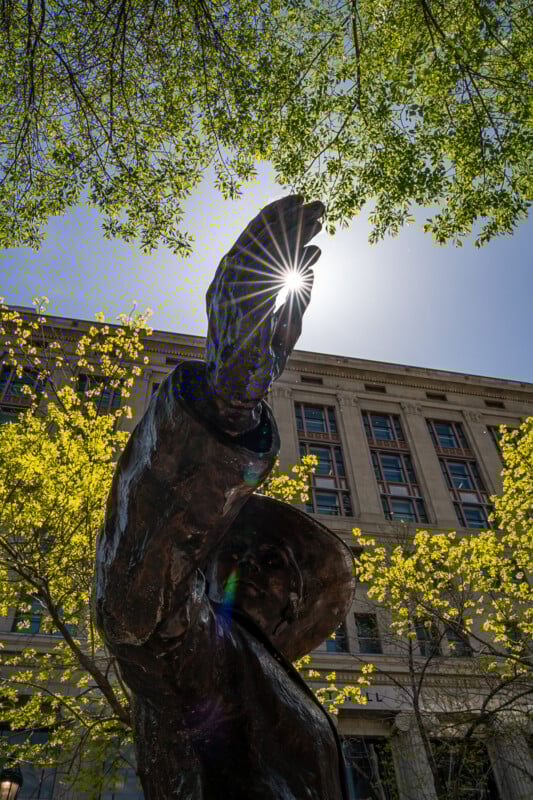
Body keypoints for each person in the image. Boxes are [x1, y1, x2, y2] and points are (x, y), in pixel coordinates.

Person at [95, 195, 356, 799]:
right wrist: (226, 397)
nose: (247, 567)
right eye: (232, 554)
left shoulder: (285, 689)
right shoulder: (197, 655)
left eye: (271, 563)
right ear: (202, 573)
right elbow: (136, 608)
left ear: (296, 600)